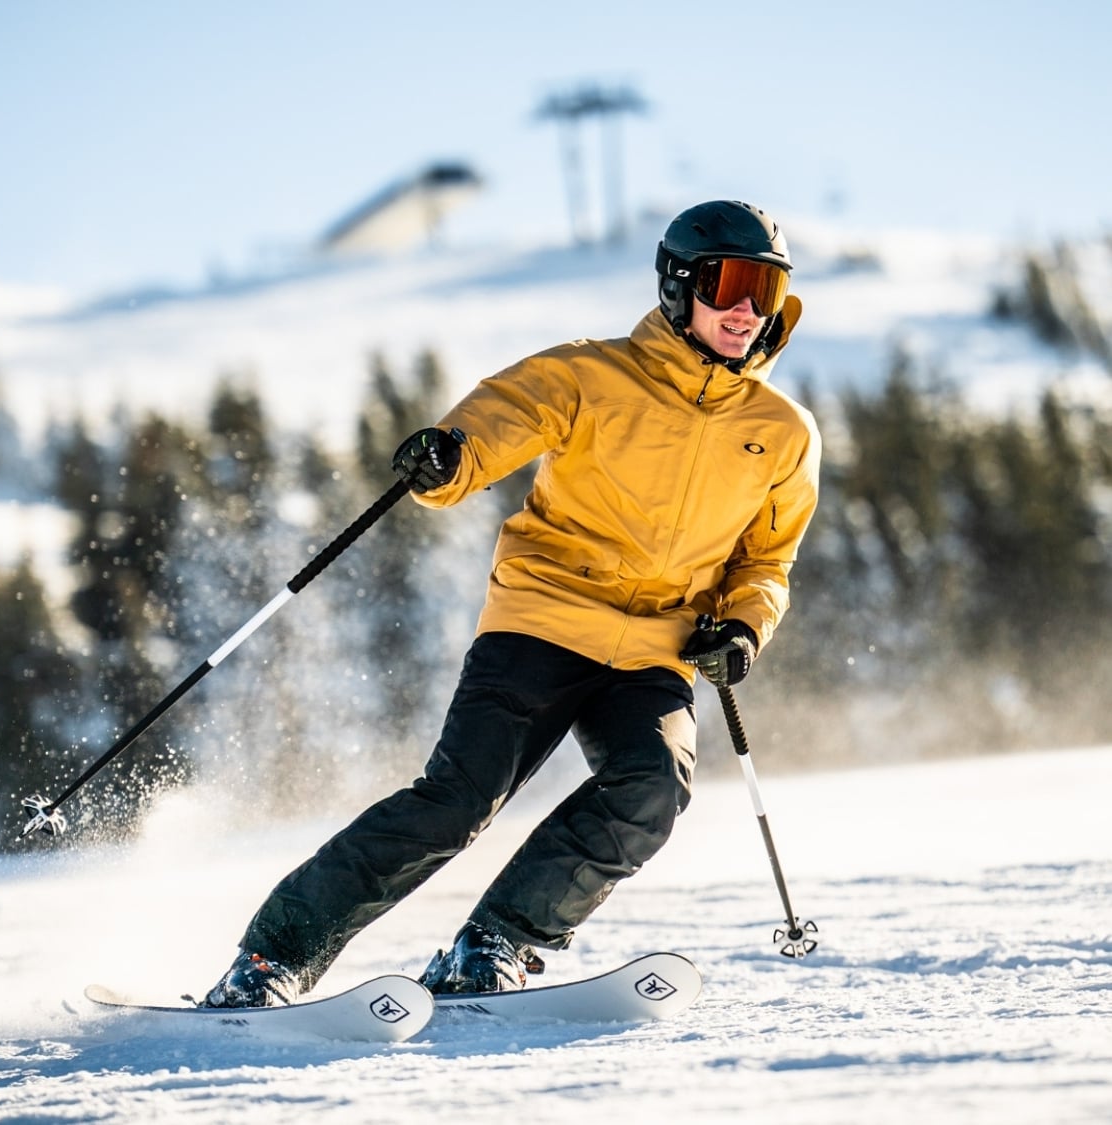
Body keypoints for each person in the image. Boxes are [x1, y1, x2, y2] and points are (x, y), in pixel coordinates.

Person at [203, 199, 822, 1007]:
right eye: (729, 283)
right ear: (678, 286)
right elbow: (501, 418)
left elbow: (765, 559)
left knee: (649, 788)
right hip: (544, 619)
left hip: (656, 649)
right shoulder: (590, 374)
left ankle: (493, 943)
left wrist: (741, 626)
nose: (746, 310)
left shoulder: (781, 431)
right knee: (457, 802)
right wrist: (448, 457)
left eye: (765, 290)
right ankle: (269, 959)